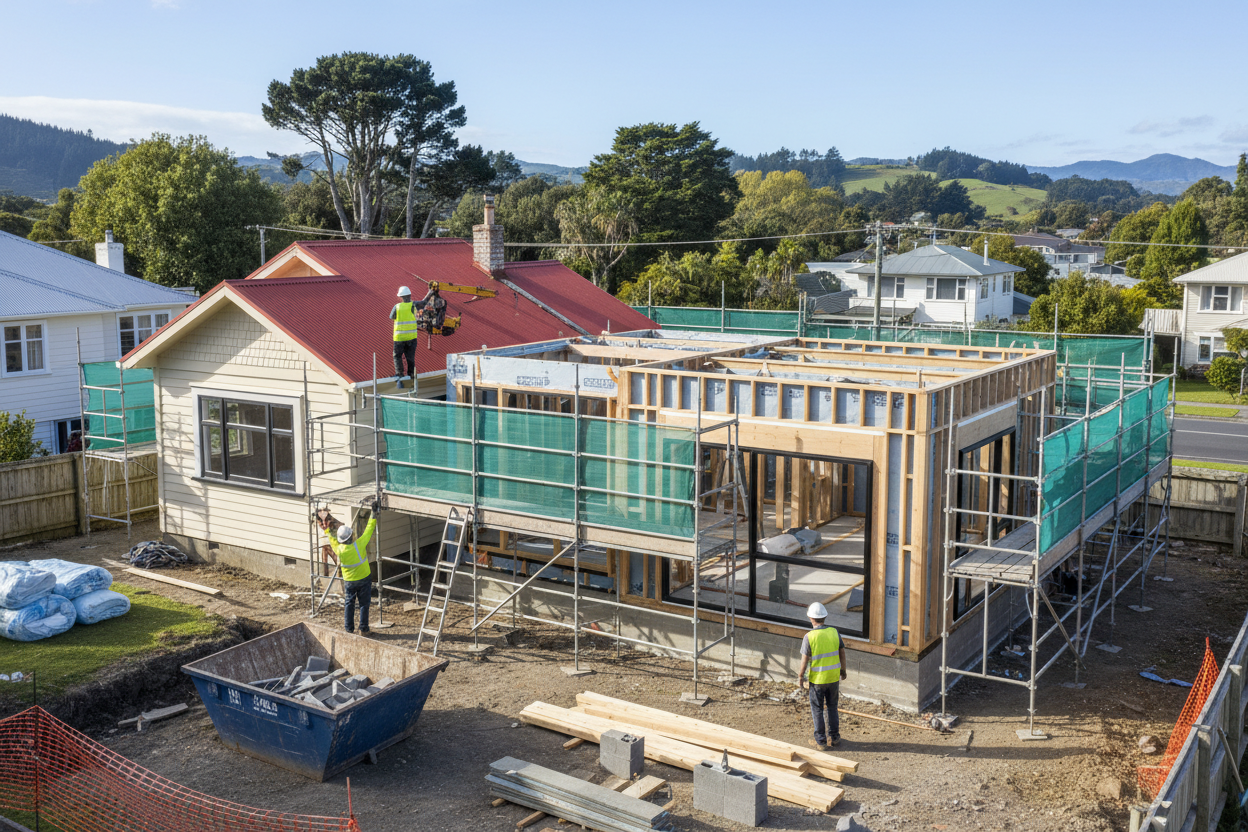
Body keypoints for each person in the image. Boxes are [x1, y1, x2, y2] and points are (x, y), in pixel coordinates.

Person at [319, 502, 377, 635]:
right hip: (364, 578)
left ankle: (349, 630)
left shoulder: (339, 549)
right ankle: (364, 629)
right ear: (351, 536)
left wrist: (326, 529)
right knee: (364, 605)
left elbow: (332, 540)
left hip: (349, 581)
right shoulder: (359, 545)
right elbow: (369, 529)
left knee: (349, 604)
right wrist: (373, 514)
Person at [798, 601, 848, 751]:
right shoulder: (834, 632)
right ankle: (835, 738)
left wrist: (800, 676)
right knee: (832, 707)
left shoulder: (809, 637)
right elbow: (842, 652)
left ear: (810, 618)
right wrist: (843, 670)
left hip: (817, 680)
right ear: (825, 617)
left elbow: (804, 660)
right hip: (833, 678)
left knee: (817, 709)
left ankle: (821, 741)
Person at [390, 286, 419, 388]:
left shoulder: (397, 307)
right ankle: (411, 375)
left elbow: (392, 317)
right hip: (412, 337)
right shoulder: (414, 306)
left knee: (397, 356)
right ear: (409, 296)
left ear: (401, 297)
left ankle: (399, 375)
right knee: (410, 357)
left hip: (400, 338)